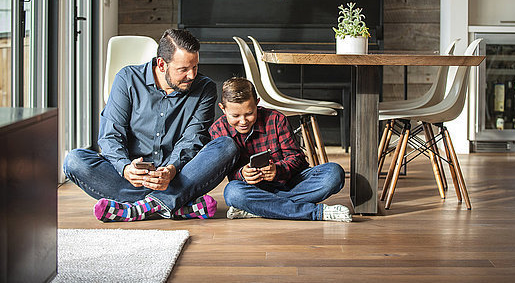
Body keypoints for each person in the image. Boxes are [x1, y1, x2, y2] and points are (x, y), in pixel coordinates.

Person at [63, 29, 238, 222]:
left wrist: (172, 169)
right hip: (131, 178)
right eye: (183, 69)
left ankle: (139, 208)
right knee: (74, 160)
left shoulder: (205, 88)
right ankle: (174, 204)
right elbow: (110, 134)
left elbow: (193, 138)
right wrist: (125, 168)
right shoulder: (127, 78)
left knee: (226, 146)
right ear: (161, 64)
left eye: (195, 67)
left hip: (177, 176)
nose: (191, 75)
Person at [209, 77, 352, 222]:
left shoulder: (276, 119)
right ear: (223, 108)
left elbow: (297, 158)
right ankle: (315, 212)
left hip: (292, 184)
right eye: (235, 116)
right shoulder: (218, 131)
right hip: (255, 190)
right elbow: (228, 174)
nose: (243, 121)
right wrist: (243, 174)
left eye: (249, 113)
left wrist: (278, 170)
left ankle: (260, 208)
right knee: (232, 193)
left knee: (334, 174)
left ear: (257, 103)